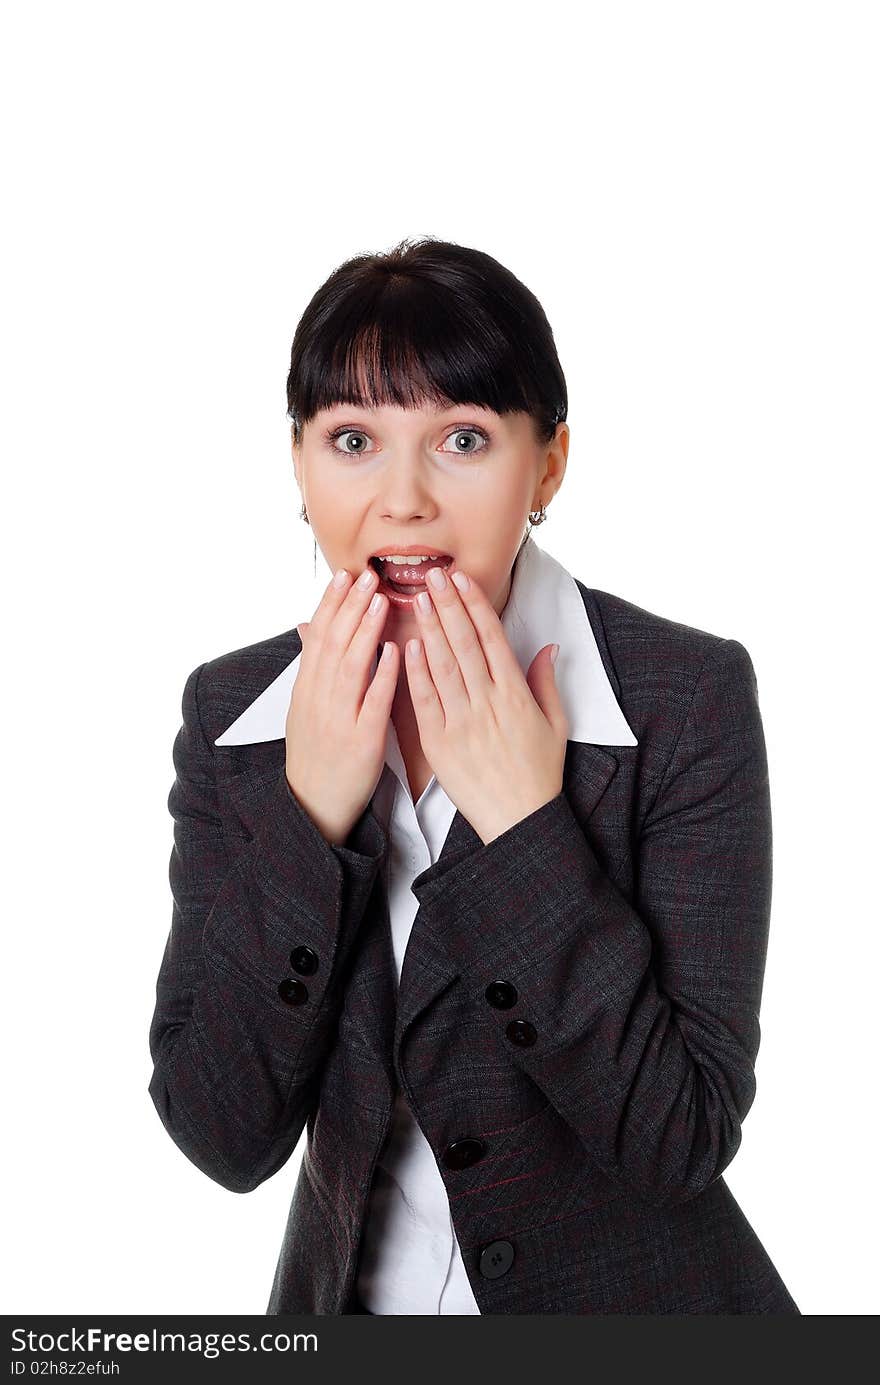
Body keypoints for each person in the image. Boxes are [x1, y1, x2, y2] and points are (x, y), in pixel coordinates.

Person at [148, 236, 800, 1315]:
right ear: (299, 465)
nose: (402, 501)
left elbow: (678, 1136)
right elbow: (220, 1132)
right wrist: (306, 820)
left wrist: (523, 827)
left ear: (547, 463)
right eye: (352, 438)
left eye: (461, 438)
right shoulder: (235, 714)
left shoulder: (685, 697)